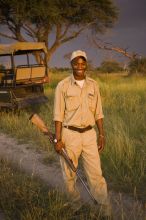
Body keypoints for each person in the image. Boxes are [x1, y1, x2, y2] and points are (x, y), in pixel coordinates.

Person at [53, 50, 112, 219]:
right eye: (76, 63)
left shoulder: (93, 85)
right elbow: (58, 114)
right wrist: (58, 139)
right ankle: (75, 206)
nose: (79, 66)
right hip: (69, 135)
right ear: (71, 64)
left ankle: (104, 210)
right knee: (69, 175)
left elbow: (98, 112)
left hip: (89, 135)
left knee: (96, 175)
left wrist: (101, 134)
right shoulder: (63, 86)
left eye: (82, 63)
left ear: (86, 64)